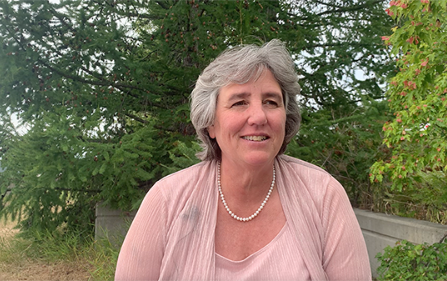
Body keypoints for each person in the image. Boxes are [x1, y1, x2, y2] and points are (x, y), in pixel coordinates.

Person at [115, 39, 371, 281]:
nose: (259, 116)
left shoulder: (324, 196)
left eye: (271, 101)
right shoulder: (167, 201)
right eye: (239, 102)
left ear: (286, 118)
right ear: (210, 124)